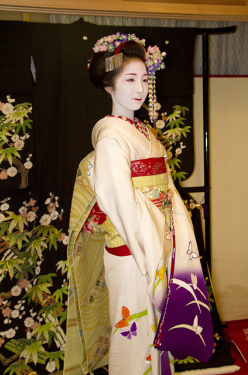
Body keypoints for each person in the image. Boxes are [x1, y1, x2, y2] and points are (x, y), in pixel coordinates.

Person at [64, 33, 213, 375]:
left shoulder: (142, 130)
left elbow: (167, 189)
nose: (139, 88)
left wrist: (176, 232)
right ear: (109, 86)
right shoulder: (110, 135)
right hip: (133, 248)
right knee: (133, 329)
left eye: (144, 79)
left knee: (154, 328)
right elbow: (119, 200)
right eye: (129, 79)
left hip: (157, 241)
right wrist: (150, 246)